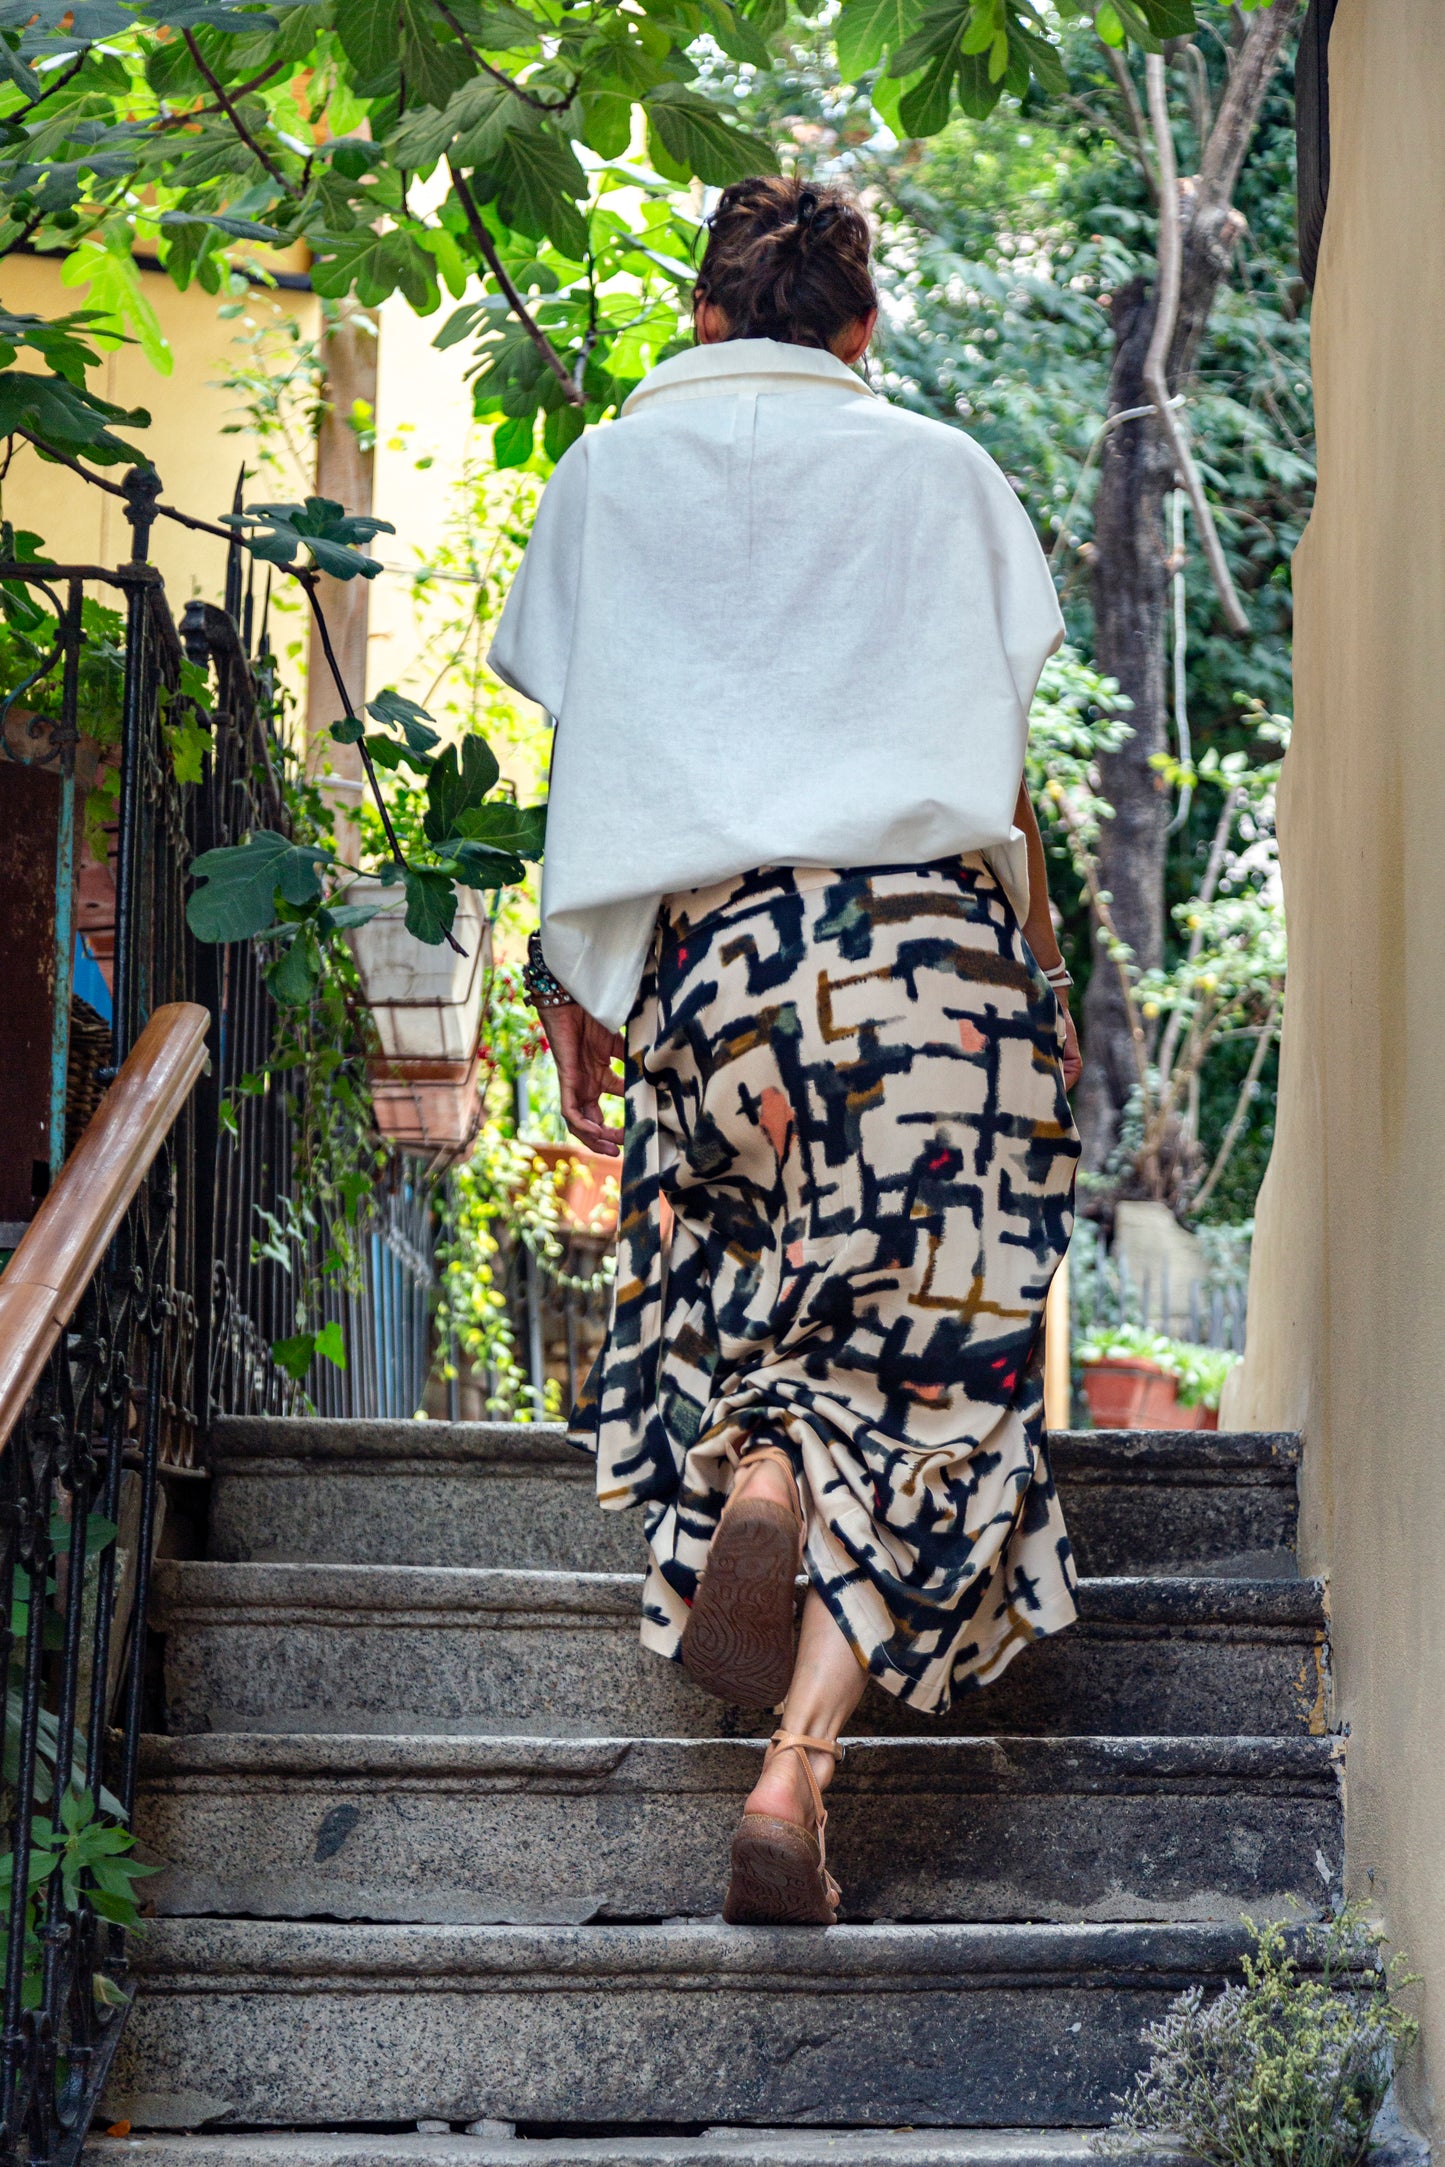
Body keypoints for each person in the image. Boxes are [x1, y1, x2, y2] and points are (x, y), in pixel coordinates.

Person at [489, 174, 1082, 1928]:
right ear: (861, 327)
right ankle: (793, 1777)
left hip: (727, 964)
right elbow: (995, 752)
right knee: (940, 1377)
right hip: (938, 978)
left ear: (695, 318)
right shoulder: (940, 471)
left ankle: (761, 1465)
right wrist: (1029, 987)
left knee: (741, 1297)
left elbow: (595, 745)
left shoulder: (606, 475)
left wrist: (573, 987)